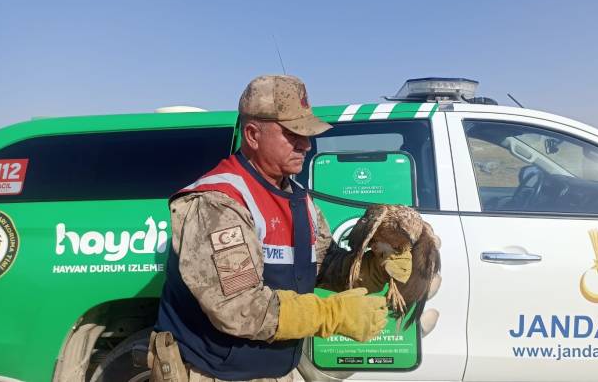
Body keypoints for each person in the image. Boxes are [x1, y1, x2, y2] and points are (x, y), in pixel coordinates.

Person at [150, 75, 413, 382]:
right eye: (293, 134)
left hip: (272, 370)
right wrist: (331, 314)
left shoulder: (299, 199)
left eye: (308, 133)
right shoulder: (219, 203)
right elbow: (238, 307)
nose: (306, 143)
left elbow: (323, 264)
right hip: (212, 372)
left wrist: (374, 268)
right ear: (252, 134)